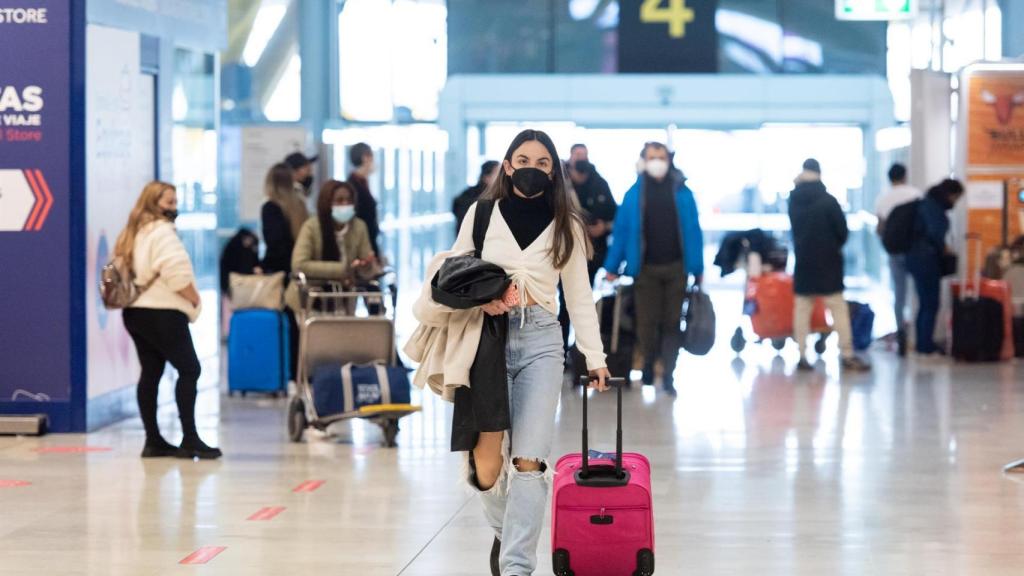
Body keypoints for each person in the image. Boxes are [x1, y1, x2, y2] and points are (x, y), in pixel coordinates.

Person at [446, 129, 610, 576]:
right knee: (485, 464)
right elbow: (454, 272)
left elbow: (579, 295)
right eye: (523, 160)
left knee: (529, 462)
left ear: (552, 171)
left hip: (541, 339)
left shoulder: (567, 224)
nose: (531, 169)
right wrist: (484, 298)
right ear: (507, 165)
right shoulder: (481, 214)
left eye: (541, 163)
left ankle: (518, 566)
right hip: (487, 339)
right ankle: (509, 530)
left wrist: (594, 356)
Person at [116, 181, 221, 460]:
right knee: (190, 370)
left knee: (150, 372)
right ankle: (190, 438)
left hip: (136, 312)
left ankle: (153, 440)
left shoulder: (134, 231)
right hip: (162, 312)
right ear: (154, 203)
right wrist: (194, 297)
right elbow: (175, 272)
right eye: (169, 202)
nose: (174, 208)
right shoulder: (162, 232)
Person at [604, 142, 704, 393]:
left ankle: (668, 374)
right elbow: (622, 233)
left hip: (676, 268)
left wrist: (697, 266)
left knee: (671, 323)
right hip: (644, 269)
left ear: (669, 160)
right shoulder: (633, 194)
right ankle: (648, 363)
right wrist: (612, 266)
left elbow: (693, 231)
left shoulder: (683, 192)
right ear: (643, 160)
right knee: (647, 322)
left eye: (661, 157)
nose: (657, 161)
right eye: (652, 157)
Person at [788, 159, 870, 372]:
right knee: (838, 309)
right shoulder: (829, 201)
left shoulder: (793, 199)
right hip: (828, 263)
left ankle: (802, 356)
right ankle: (847, 354)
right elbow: (842, 232)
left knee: (802, 310)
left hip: (804, 261)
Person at [283, 180, 378, 313]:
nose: (345, 204)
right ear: (327, 202)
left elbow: (366, 261)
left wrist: (365, 266)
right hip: (309, 302)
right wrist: (342, 269)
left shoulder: (359, 226)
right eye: (339, 200)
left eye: (349, 200)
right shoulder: (311, 227)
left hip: (344, 301)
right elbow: (299, 264)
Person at [261, 162, 308, 378]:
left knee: (284, 325)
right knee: (296, 325)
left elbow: (275, 245)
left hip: (279, 275)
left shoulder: (271, 208)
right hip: (299, 274)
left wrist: (262, 266)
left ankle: (284, 374)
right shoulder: (299, 206)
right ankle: (298, 371)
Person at [906, 179, 964, 356]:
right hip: (927, 261)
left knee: (924, 303)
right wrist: (944, 248)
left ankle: (922, 343)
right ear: (950, 194)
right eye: (956, 197)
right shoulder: (934, 208)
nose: (955, 201)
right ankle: (925, 345)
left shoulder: (925, 204)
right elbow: (934, 233)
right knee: (930, 303)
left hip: (916, 258)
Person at [875, 163, 922, 356]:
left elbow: (880, 229)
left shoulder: (883, 198)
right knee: (919, 292)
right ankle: (918, 335)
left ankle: (900, 332)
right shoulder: (916, 194)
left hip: (894, 252)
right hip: (915, 250)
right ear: (905, 175)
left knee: (899, 293)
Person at [347, 142, 382, 257]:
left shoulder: (363, 182)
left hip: (369, 241)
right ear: (365, 157)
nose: (373, 161)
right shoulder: (353, 185)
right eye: (371, 156)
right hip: (361, 246)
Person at [454, 160, 500, 233]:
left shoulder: (498, 195)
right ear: (487, 177)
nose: (502, 178)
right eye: (498, 174)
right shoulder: (470, 198)